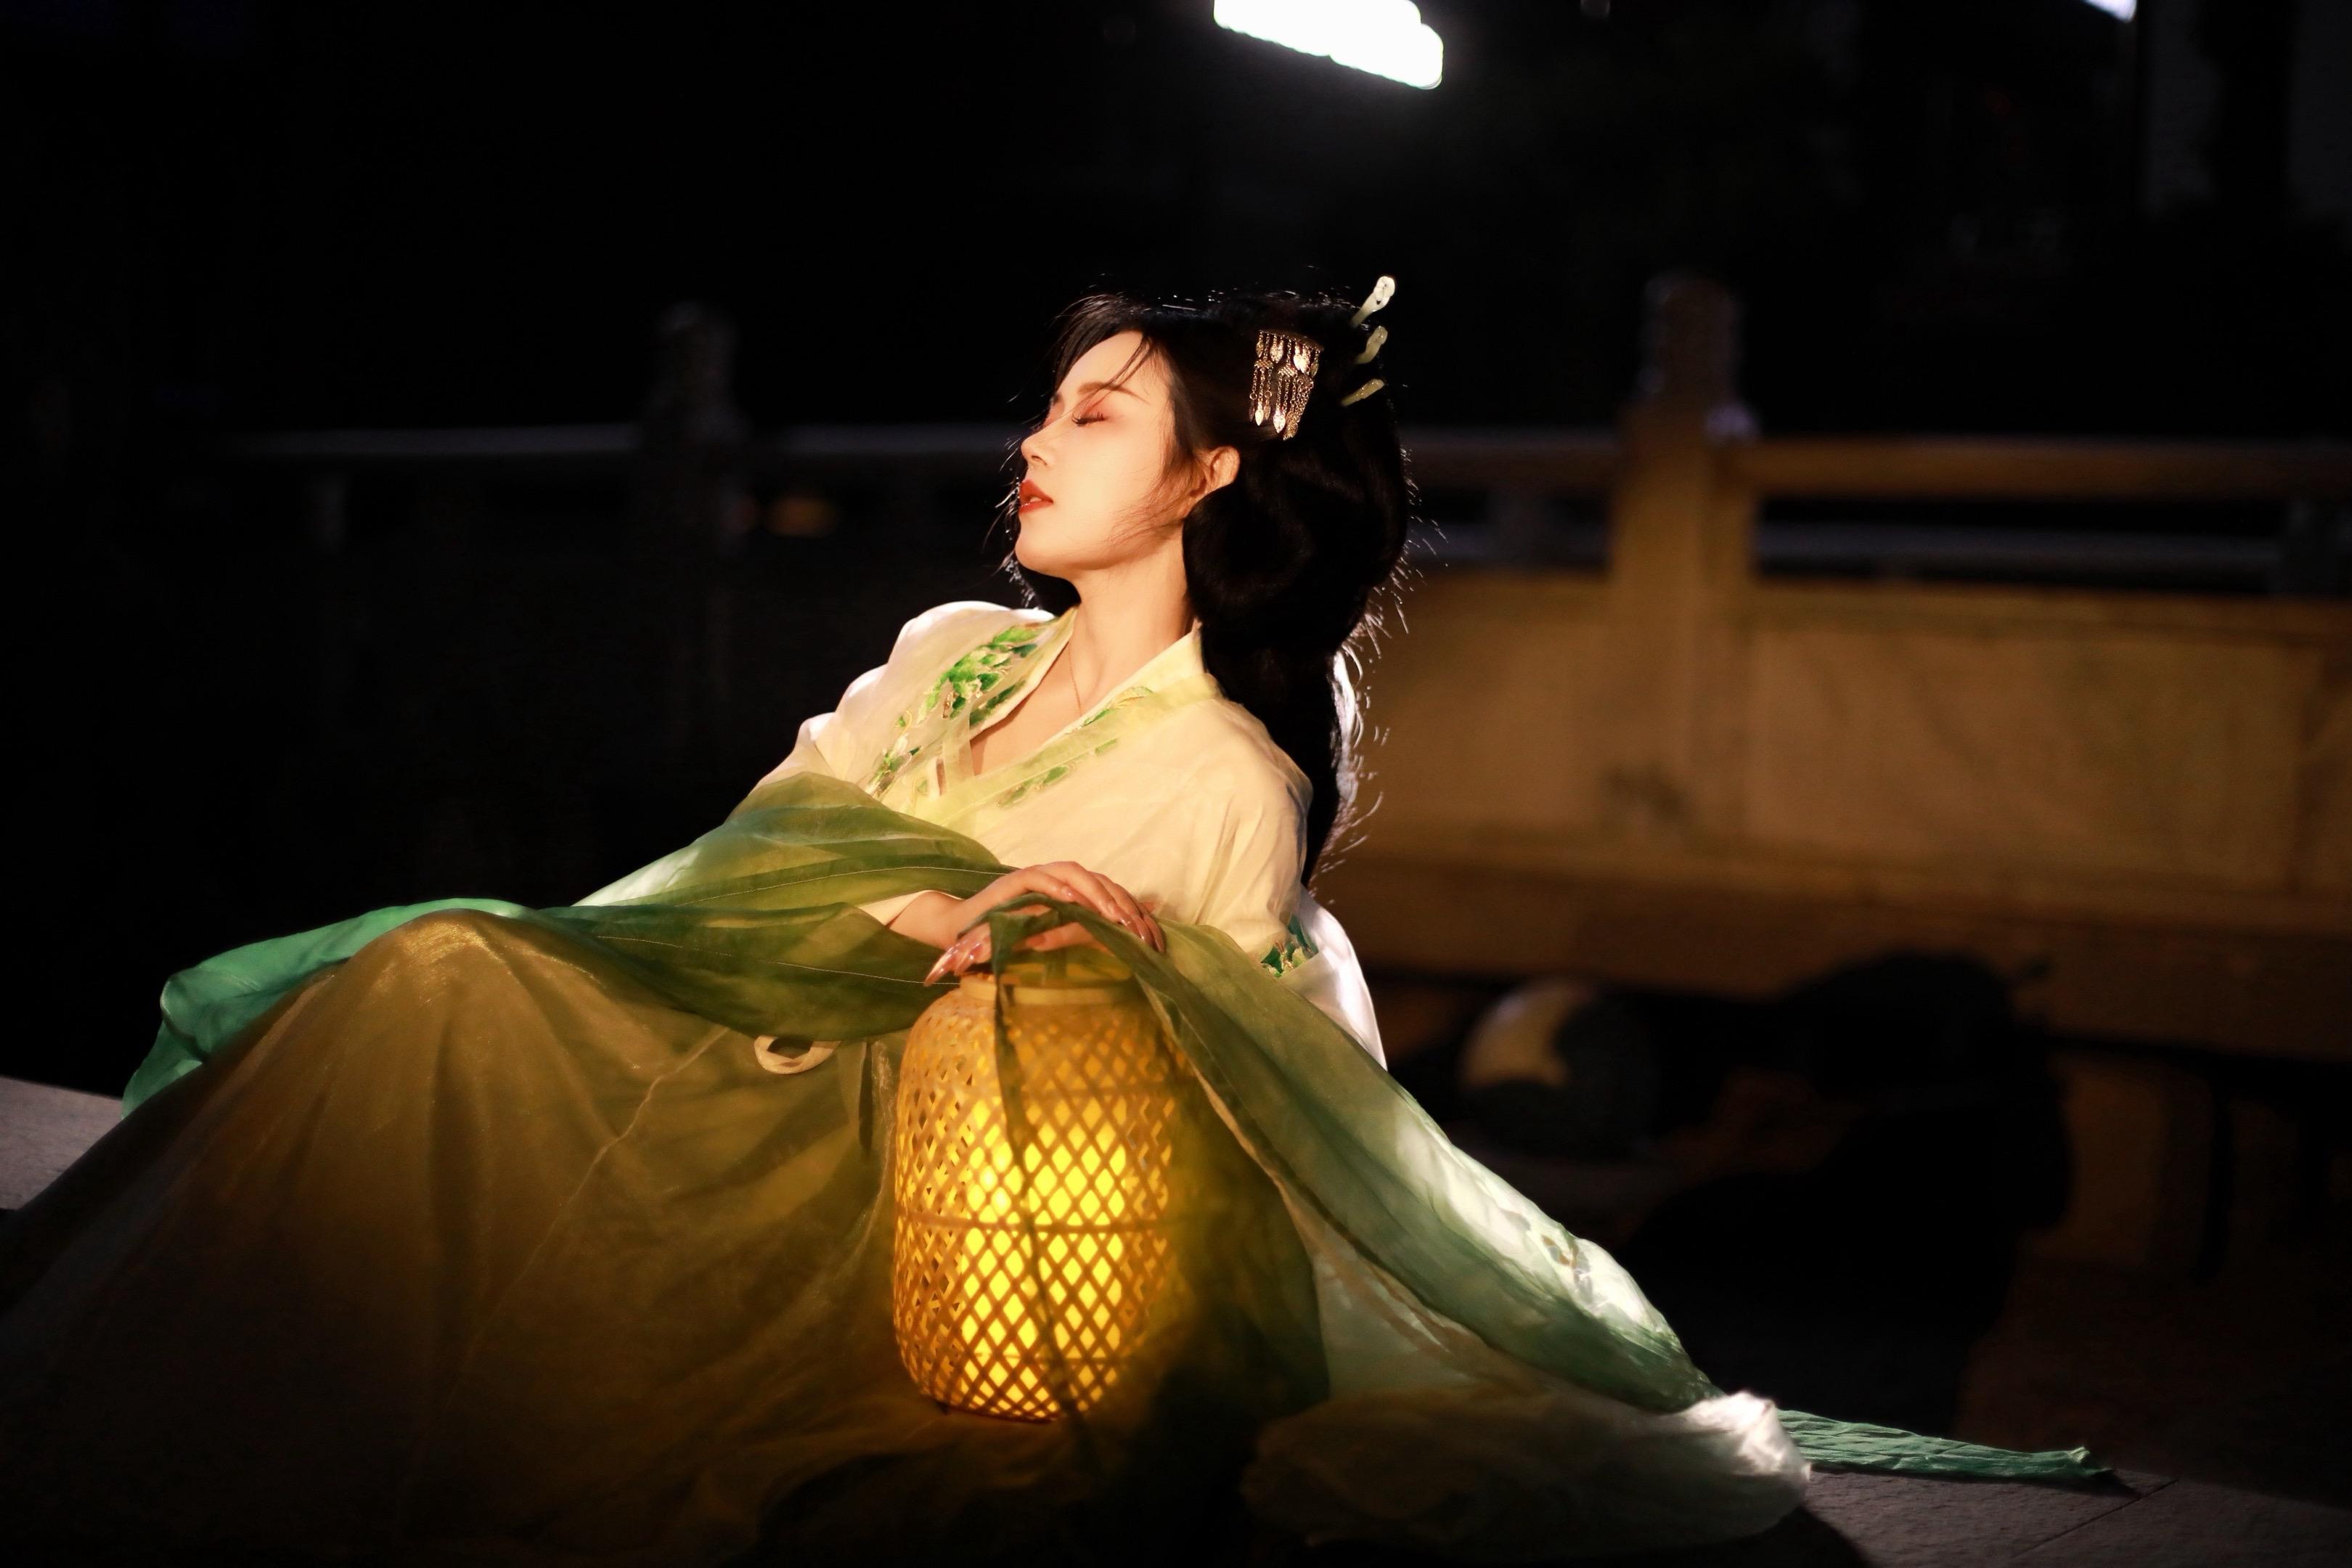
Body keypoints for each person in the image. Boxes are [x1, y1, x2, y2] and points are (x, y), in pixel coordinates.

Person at [0, 278, 2104, 1564]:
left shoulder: (1221, 777)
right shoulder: (951, 650)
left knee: (450, 1009)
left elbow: (1172, 1136)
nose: (1033, 439)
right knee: (423, 979)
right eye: (1049, 403)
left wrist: (1053, 957)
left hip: (921, 1206)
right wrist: (944, 899)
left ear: (1206, 479)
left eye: (1095, 414)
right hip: (744, 1052)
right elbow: (760, 860)